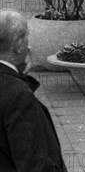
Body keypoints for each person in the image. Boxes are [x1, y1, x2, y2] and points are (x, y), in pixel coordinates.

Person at [0, 10, 68, 171]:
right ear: (18, 45)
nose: (29, 45)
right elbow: (34, 162)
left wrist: (17, 76)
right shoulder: (19, 96)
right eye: (26, 37)